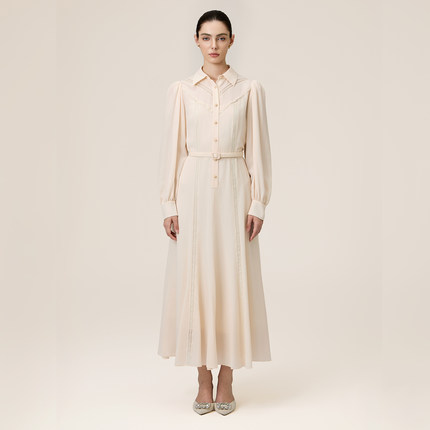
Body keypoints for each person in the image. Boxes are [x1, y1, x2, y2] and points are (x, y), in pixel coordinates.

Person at [157, 10, 272, 415]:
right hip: (193, 190)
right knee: (196, 279)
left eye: (221, 37)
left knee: (231, 278)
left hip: (235, 189)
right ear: (196, 41)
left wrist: (258, 202)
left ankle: (227, 375)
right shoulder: (182, 91)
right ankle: (202, 376)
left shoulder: (250, 90)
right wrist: (169, 203)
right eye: (206, 38)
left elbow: (259, 149)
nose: (213, 45)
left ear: (232, 40)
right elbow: (173, 149)